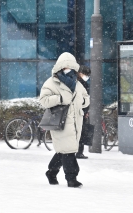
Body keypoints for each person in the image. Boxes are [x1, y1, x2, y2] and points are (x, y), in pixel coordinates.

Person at [39, 52, 90, 188]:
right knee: (69, 150)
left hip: (76, 121)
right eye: (65, 66)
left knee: (64, 150)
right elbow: (43, 100)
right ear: (59, 67)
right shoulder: (51, 82)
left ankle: (51, 172)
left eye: (70, 66)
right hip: (61, 121)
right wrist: (60, 99)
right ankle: (71, 178)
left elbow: (85, 98)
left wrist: (83, 101)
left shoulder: (77, 83)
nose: (68, 69)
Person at [76, 65, 91, 159]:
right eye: (86, 74)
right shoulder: (80, 84)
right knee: (80, 133)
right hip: (80, 112)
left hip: (81, 111)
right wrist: (85, 111)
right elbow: (84, 99)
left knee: (79, 133)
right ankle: (79, 152)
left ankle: (78, 152)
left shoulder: (78, 82)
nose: (87, 77)